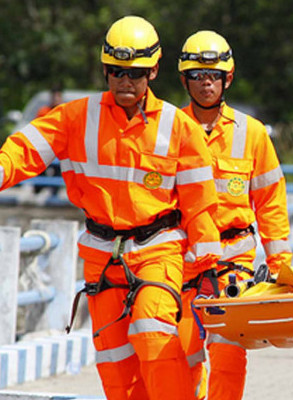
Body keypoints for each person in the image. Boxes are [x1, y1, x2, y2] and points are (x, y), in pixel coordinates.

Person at [0, 16, 222, 399]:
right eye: (117, 72)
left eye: (135, 73)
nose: (125, 81)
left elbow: (200, 205)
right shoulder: (76, 117)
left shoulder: (178, 128)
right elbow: (24, 149)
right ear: (105, 69)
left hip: (158, 250)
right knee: (118, 369)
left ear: (153, 70)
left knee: (155, 337)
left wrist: (207, 271)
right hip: (102, 258)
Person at [175, 30, 292, 400]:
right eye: (196, 76)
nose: (205, 83)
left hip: (234, 263)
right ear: (184, 80)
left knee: (228, 356)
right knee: (180, 355)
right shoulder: (168, 130)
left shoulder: (252, 134)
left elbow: (271, 201)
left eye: (213, 76)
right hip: (181, 262)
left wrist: (281, 265)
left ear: (228, 78)